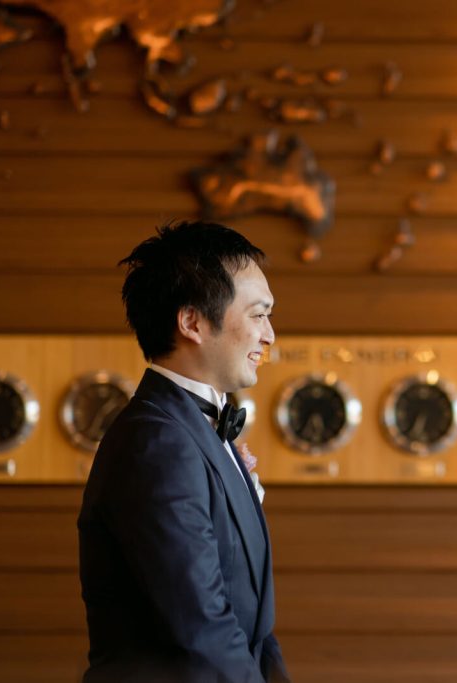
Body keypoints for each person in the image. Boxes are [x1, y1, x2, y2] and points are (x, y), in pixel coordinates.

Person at [78, 221, 290, 682]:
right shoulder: (156, 442)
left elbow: (254, 629)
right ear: (192, 322)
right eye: (258, 315)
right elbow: (203, 626)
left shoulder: (192, 429)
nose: (270, 335)